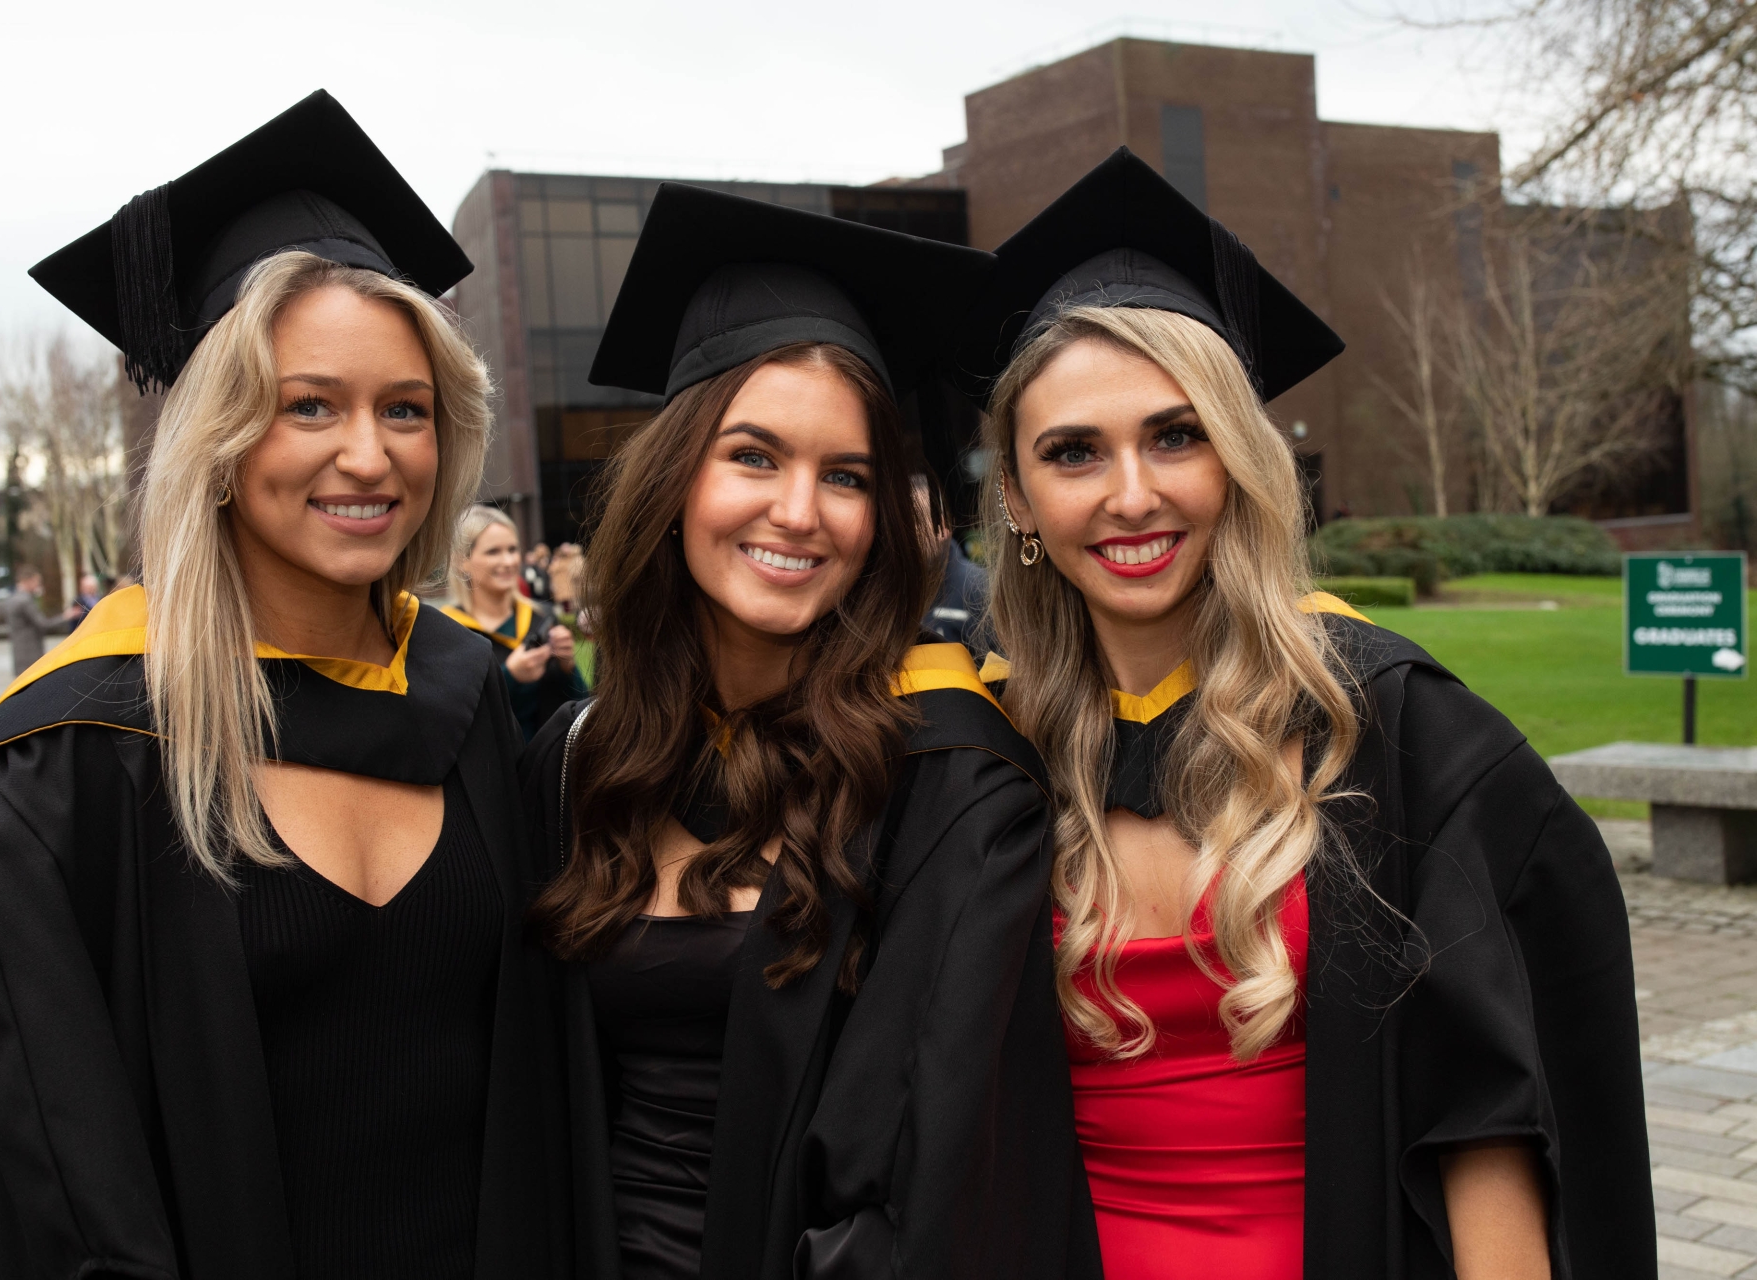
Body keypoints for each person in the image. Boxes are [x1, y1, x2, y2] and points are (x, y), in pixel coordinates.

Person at [0, 91, 564, 1279]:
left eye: (405, 409)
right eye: (310, 405)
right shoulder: (68, 756)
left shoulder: (462, 702)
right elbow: (37, 1172)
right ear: (222, 434)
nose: (369, 453)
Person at [958, 148, 1653, 1279]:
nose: (1131, 493)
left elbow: (1490, 1110)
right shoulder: (983, 756)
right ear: (1018, 499)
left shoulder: (1391, 731)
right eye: (1073, 452)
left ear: (1238, 456)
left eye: (1176, 434)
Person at [523, 182, 1099, 1280]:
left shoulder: (949, 781)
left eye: (845, 476)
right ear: (674, 478)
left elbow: (930, 1180)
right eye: (753, 455)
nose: (798, 511)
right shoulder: (577, 761)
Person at [442, 505, 587, 739]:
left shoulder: (543, 617)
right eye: (493, 552)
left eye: (512, 549)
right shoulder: (448, 631)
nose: (509, 561)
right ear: (462, 561)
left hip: (549, 756)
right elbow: (450, 719)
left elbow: (580, 703)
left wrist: (567, 665)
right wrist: (508, 676)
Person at [913, 474, 992, 660]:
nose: (906, 534)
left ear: (943, 526)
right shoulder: (888, 591)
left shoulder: (980, 589)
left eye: (916, 522)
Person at [1, 565, 76, 675]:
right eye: (37, 581)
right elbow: (43, 624)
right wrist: (65, 616)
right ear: (29, 580)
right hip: (31, 654)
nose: (38, 585)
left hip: (18, 653)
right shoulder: (25, 601)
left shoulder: (11, 599)